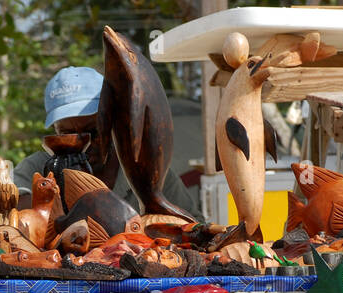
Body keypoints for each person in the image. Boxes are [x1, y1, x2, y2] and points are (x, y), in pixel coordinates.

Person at [13, 66, 202, 221]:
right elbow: (9, 218)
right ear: (55, 130)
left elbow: (193, 226)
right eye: (68, 134)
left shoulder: (146, 169)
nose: (83, 144)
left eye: (93, 131)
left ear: (112, 120)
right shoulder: (37, 169)